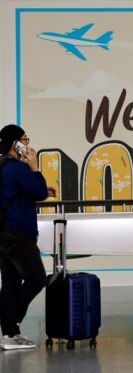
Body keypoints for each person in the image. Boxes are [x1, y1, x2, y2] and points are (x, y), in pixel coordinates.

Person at [0, 124, 55, 350]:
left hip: (3, 234)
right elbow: (40, 191)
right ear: (16, 144)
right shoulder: (18, 168)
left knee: (10, 284)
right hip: (18, 234)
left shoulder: (3, 167)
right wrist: (35, 167)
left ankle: (10, 335)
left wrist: (37, 185)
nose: (28, 144)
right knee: (36, 278)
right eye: (25, 140)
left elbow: (26, 191)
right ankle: (9, 320)